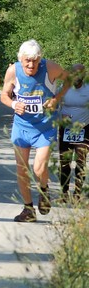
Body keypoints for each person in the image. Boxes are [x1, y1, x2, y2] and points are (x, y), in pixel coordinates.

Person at [0, 39, 68, 222]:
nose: (31, 65)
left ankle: (44, 190)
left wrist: (56, 98)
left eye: (35, 60)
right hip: (22, 126)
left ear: (40, 59)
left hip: (45, 127)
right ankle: (28, 210)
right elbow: (4, 96)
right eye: (27, 61)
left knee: (39, 168)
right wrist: (14, 104)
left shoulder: (51, 68)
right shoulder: (13, 71)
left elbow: (69, 79)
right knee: (22, 170)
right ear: (20, 59)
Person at [58, 63, 89, 202]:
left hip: (84, 129)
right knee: (65, 162)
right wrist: (61, 116)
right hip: (66, 129)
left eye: (79, 74)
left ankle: (77, 193)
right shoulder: (64, 88)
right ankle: (64, 193)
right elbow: (54, 104)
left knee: (80, 162)